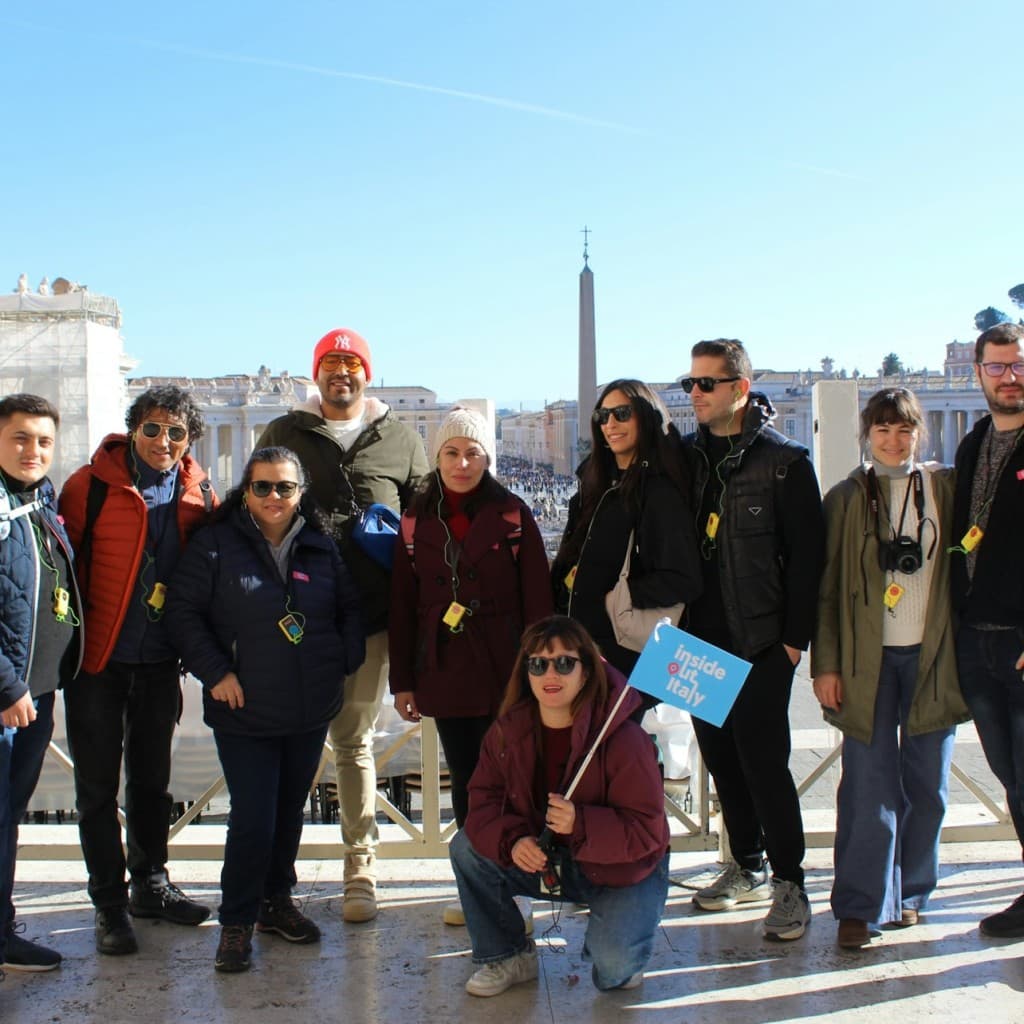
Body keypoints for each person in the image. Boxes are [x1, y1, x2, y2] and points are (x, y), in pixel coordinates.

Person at [166, 447, 364, 972]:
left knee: (287, 814)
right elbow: (184, 614)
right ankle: (236, 920)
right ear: (245, 491)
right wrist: (216, 671)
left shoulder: (320, 546)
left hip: (308, 706)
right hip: (245, 707)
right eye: (262, 487)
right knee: (252, 817)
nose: (274, 497)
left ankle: (276, 902)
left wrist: (343, 660)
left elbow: (348, 610)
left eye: (284, 488)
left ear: (300, 493)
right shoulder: (214, 545)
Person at [256, 328, 428, 922]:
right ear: (317, 374)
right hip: (296, 617)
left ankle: (360, 865)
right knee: (284, 741)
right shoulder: (283, 433)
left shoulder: (402, 440)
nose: (341, 373)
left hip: (373, 618)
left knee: (353, 741)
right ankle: (273, 873)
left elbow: (428, 523)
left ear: (366, 374)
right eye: (330, 363)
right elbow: (254, 511)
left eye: (351, 363)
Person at [59, 385, 216, 955]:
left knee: (151, 783)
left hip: (159, 664)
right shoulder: (87, 486)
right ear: (132, 430)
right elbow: (60, 568)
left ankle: (150, 884)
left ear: (188, 439)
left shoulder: (199, 493)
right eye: (152, 429)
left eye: (176, 432)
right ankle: (107, 904)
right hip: (97, 663)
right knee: (97, 790)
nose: (163, 441)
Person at [812, 388, 968, 949]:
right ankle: (860, 905)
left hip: (934, 658)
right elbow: (825, 590)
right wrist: (825, 664)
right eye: (882, 430)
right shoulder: (847, 497)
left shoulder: (946, 489)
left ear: (918, 434)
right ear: (866, 435)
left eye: (904, 430)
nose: (893, 441)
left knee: (928, 786)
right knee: (868, 786)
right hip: (865, 663)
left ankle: (910, 893)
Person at [681, 338, 825, 940]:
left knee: (764, 764)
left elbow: (810, 557)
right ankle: (746, 864)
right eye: (689, 382)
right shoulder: (682, 458)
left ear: (739, 389)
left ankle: (791, 882)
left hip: (761, 639)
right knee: (721, 762)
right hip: (694, 640)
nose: (694, 393)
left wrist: (793, 644)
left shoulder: (786, 461)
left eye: (706, 383)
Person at [389, 407, 553, 924]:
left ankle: (518, 888)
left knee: (514, 777)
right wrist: (403, 681)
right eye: (452, 452)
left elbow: (538, 600)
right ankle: (480, 884)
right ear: (437, 457)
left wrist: (542, 670)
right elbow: (402, 604)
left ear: (488, 457)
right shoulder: (415, 517)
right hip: (445, 664)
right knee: (466, 780)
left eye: (473, 452)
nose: (462, 463)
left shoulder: (511, 514)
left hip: (505, 666)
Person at [450, 615, 670, 997]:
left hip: (620, 867)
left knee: (614, 972)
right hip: (547, 860)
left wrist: (580, 823)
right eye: (538, 664)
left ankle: (618, 941)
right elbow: (482, 802)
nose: (551, 674)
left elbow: (647, 830)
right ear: (527, 673)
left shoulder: (625, 740)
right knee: (467, 847)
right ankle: (508, 955)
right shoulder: (507, 730)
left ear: (586, 672)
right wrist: (513, 840)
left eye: (564, 662)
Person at [550, 379, 702, 686]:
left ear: (645, 417)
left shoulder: (659, 492)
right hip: (582, 641)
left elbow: (684, 579)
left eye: (621, 413)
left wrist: (615, 598)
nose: (610, 424)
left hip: (627, 650)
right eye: (602, 416)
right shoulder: (594, 482)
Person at [0, 395, 79, 977]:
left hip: (38, 694)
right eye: (21, 438)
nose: (34, 451)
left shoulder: (38, 502)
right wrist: (5, 687)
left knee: (7, 818)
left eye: (44, 441)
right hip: (8, 698)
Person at [952, 321, 1024, 938]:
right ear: (977, 374)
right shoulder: (972, 445)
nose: (1009, 376)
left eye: (1018, 364)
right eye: (997, 367)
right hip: (977, 640)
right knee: (1011, 776)